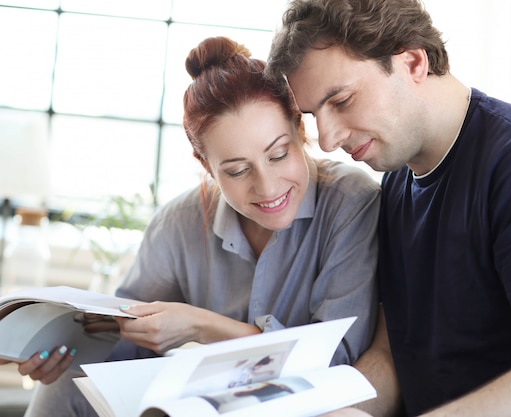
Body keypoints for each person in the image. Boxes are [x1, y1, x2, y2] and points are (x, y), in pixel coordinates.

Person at [265, 0, 511, 416]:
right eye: (313, 115)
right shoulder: (397, 184)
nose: (327, 140)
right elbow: (390, 358)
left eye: (342, 100)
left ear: (414, 62)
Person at [2, 35, 380, 416]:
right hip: (202, 403)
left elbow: (336, 362)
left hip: (301, 407)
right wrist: (53, 350)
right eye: (237, 170)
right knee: (70, 383)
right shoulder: (178, 222)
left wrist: (202, 327)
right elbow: (120, 339)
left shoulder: (351, 203)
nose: (267, 187)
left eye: (279, 154)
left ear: (300, 130)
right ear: (206, 166)